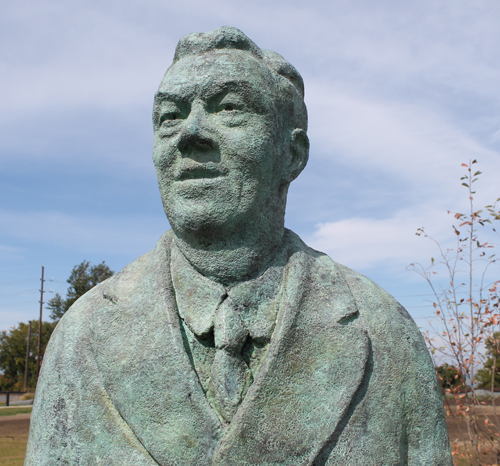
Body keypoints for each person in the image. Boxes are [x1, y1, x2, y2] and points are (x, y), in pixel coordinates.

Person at [25, 27, 452, 465]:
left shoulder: (384, 334)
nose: (189, 133)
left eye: (228, 108)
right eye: (169, 116)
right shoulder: (82, 335)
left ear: (293, 154)